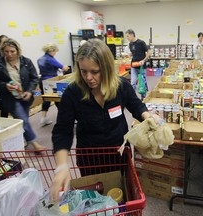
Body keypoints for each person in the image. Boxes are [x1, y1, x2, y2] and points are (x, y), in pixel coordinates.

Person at [51, 39, 157, 201]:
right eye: (84, 71)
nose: (89, 77)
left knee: (121, 193)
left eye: (95, 71)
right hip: (90, 158)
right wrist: (62, 165)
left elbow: (136, 106)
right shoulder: (73, 93)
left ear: (106, 69)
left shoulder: (121, 86)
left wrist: (147, 116)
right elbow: (62, 131)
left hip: (119, 153)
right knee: (95, 198)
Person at [0, 38, 46, 151]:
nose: (9, 54)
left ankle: (22, 138)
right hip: (10, 98)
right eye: (6, 51)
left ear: (18, 50)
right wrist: (5, 86)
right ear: (2, 51)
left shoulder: (26, 62)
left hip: (25, 97)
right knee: (23, 119)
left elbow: (34, 78)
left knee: (22, 120)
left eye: (12, 51)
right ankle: (34, 144)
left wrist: (29, 91)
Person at [37, 43, 69, 127]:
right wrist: (66, 67)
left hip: (42, 80)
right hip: (51, 82)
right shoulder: (50, 59)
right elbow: (63, 67)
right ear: (51, 50)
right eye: (55, 51)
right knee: (59, 99)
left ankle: (43, 118)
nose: (55, 53)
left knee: (46, 99)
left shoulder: (40, 59)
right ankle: (65, 118)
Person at [125, 29, 150, 100]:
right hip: (134, 66)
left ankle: (143, 97)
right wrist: (128, 55)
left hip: (142, 67)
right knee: (133, 83)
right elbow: (134, 53)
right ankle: (132, 98)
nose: (127, 38)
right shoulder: (130, 44)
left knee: (142, 82)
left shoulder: (141, 43)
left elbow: (148, 52)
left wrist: (143, 60)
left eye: (128, 36)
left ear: (132, 35)